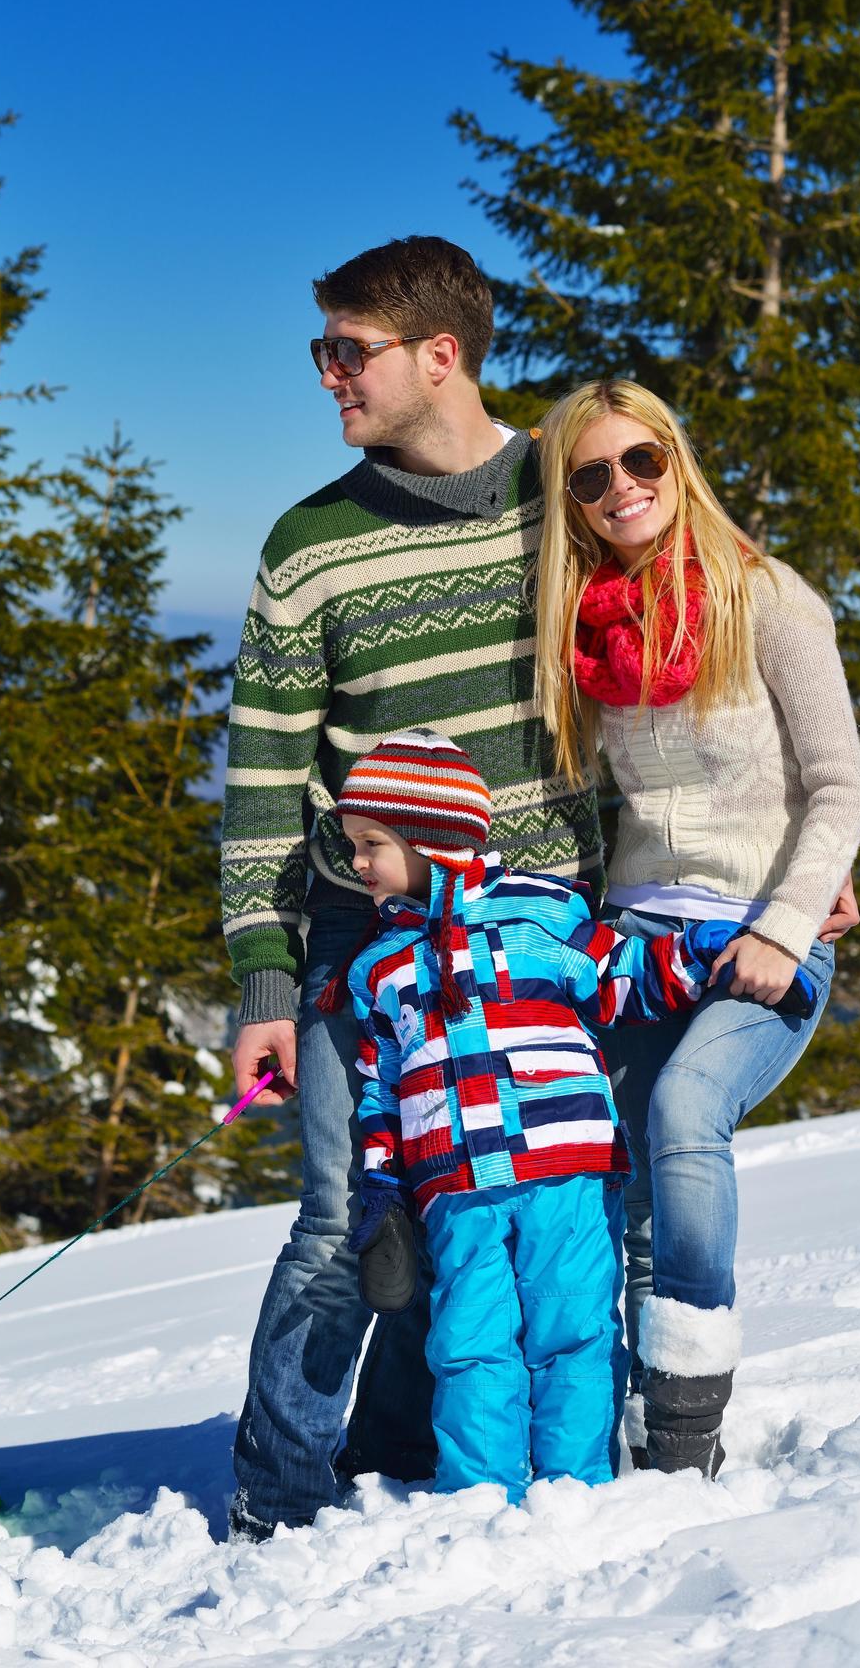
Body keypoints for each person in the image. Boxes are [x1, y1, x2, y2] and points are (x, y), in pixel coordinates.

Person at [221, 236, 604, 1540]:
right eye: (320, 350)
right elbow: (267, 778)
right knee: (345, 1216)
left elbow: (698, 654)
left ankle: (407, 1447)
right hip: (366, 934)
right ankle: (274, 1502)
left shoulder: (569, 499)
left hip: (542, 932)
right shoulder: (310, 545)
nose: (328, 375)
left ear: (442, 354)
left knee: (527, 1200)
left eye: (350, 351)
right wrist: (264, 982)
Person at [534, 379, 860, 1477]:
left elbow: (840, 788)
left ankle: (684, 1434)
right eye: (592, 477)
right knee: (617, 1169)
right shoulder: (584, 630)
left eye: (641, 462)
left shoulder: (769, 599)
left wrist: (784, 924)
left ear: (677, 462)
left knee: (686, 1110)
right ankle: (622, 1422)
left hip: (765, 937)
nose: (622, 488)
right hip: (639, 943)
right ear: (572, 501)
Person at [333, 729, 813, 1497]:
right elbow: (380, 1091)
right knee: (468, 1343)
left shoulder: (544, 913)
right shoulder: (377, 968)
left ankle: (576, 1491)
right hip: (454, 1188)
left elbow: (622, 978)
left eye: (370, 843)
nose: (357, 863)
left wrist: (712, 952)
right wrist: (382, 1185)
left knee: (576, 1333)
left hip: (569, 1171)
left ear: (431, 838)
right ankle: (481, 1498)